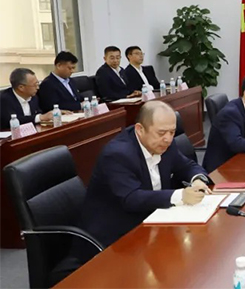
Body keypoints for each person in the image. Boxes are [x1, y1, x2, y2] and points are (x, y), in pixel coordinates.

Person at [76, 101, 210, 260]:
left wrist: (198, 179)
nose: (168, 139)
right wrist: (180, 196)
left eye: (172, 132)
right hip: (116, 238)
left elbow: (187, 166)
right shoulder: (117, 154)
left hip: (153, 222)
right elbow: (132, 198)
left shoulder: (165, 143)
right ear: (140, 129)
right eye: (161, 133)